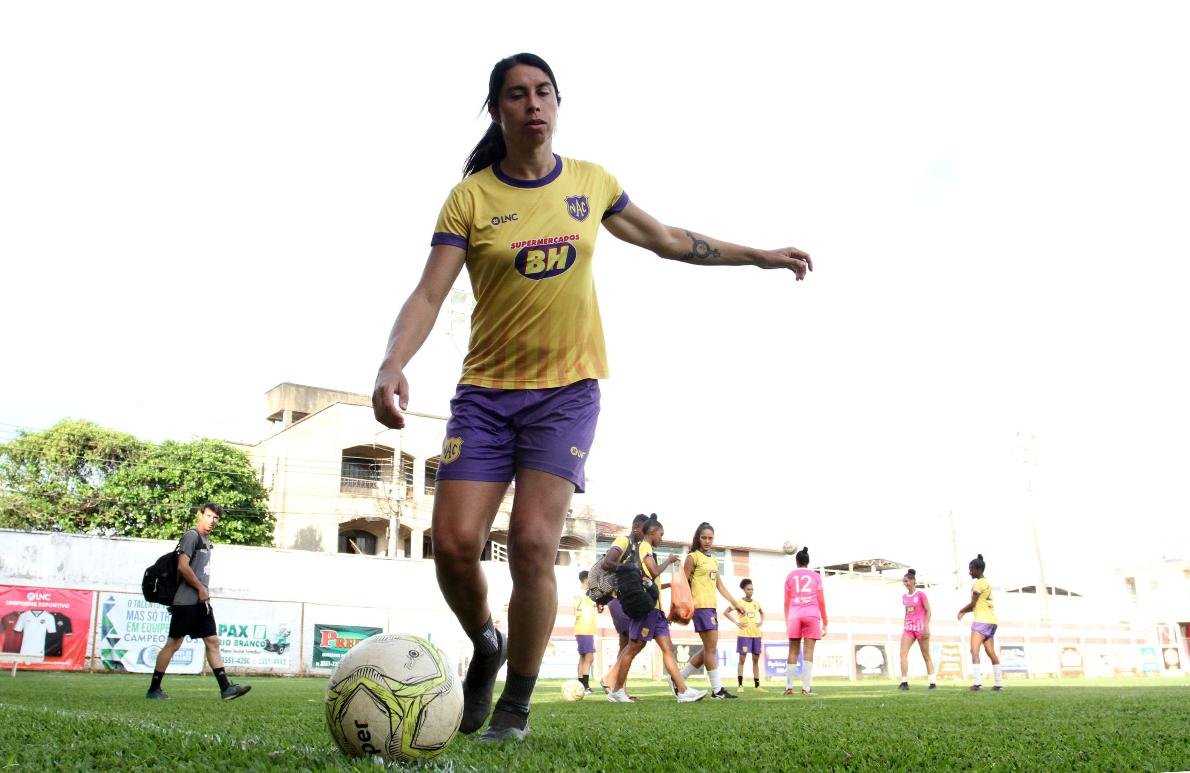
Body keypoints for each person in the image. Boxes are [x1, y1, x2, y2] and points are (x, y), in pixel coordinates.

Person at [371, 53, 812, 742]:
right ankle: (486, 642)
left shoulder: (590, 182)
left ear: (556, 103)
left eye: (543, 91)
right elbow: (429, 293)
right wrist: (393, 363)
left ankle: (515, 705)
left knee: (532, 543)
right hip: (486, 396)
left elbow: (670, 241)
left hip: (565, 397)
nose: (532, 104)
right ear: (497, 110)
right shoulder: (471, 198)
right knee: (453, 546)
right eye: (517, 94)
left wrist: (759, 255)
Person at [146, 503, 250, 702]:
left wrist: (203, 593)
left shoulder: (206, 541)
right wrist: (201, 589)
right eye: (209, 516)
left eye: (216, 518)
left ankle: (226, 688)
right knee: (174, 644)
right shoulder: (192, 536)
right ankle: (154, 689)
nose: (212, 521)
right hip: (186, 601)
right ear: (201, 515)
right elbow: (182, 567)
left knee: (213, 641)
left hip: (201, 603)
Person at [606, 517, 706, 703]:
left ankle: (683, 691)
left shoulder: (647, 548)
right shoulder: (645, 547)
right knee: (633, 647)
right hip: (647, 609)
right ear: (652, 533)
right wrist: (668, 560)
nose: (661, 538)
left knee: (668, 649)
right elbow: (654, 571)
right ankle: (617, 690)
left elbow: (653, 580)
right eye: (661, 534)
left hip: (657, 611)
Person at [676, 523, 745, 699]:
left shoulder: (713, 559)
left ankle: (677, 679)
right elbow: (683, 583)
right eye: (704, 538)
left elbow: (720, 585)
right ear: (698, 538)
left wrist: (736, 604)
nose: (707, 541)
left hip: (711, 608)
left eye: (710, 538)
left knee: (709, 649)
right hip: (700, 607)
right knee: (711, 649)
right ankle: (717, 690)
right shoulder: (692, 557)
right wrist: (683, 607)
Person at [598, 513, 650, 699]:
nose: (646, 534)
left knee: (625, 645)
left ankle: (619, 690)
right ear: (636, 527)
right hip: (617, 599)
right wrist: (628, 568)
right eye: (644, 530)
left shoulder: (638, 548)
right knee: (635, 641)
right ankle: (609, 680)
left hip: (627, 600)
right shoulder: (623, 540)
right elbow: (607, 563)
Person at [783, 546, 827, 696]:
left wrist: (786, 621)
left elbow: (786, 602)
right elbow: (821, 601)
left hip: (794, 615)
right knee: (808, 652)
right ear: (808, 562)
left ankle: (789, 688)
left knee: (792, 651)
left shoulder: (790, 576)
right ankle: (805, 688)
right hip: (811, 614)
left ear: (797, 562)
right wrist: (825, 622)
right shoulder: (815, 576)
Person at [957, 553, 1001, 691]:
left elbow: (973, 603)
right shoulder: (987, 583)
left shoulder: (978, 584)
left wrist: (961, 611)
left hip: (981, 621)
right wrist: (966, 611)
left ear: (978, 569)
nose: (970, 572)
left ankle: (977, 683)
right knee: (991, 652)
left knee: (974, 651)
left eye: (971, 569)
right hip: (992, 621)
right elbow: (978, 604)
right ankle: (998, 684)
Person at [897, 568, 936, 690]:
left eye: (907, 581)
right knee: (902, 653)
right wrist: (905, 623)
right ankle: (904, 682)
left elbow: (928, 611)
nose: (905, 584)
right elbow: (907, 612)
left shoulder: (921, 595)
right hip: (908, 628)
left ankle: (932, 683)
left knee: (926, 656)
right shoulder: (904, 597)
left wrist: (926, 626)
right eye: (904, 582)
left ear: (913, 581)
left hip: (921, 628)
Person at [724, 578, 765, 690]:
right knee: (742, 659)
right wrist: (736, 623)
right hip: (744, 634)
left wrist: (761, 622)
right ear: (744, 590)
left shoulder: (756, 603)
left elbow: (762, 613)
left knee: (755, 660)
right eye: (748, 589)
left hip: (756, 635)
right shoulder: (738, 603)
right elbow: (726, 612)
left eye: (752, 589)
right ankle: (740, 685)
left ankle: (757, 686)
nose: (751, 591)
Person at [573, 571, 599, 694]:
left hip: (584, 629)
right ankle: (585, 686)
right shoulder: (584, 594)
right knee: (589, 657)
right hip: (584, 629)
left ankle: (581, 685)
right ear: (585, 580)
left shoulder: (583, 594)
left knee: (583, 657)